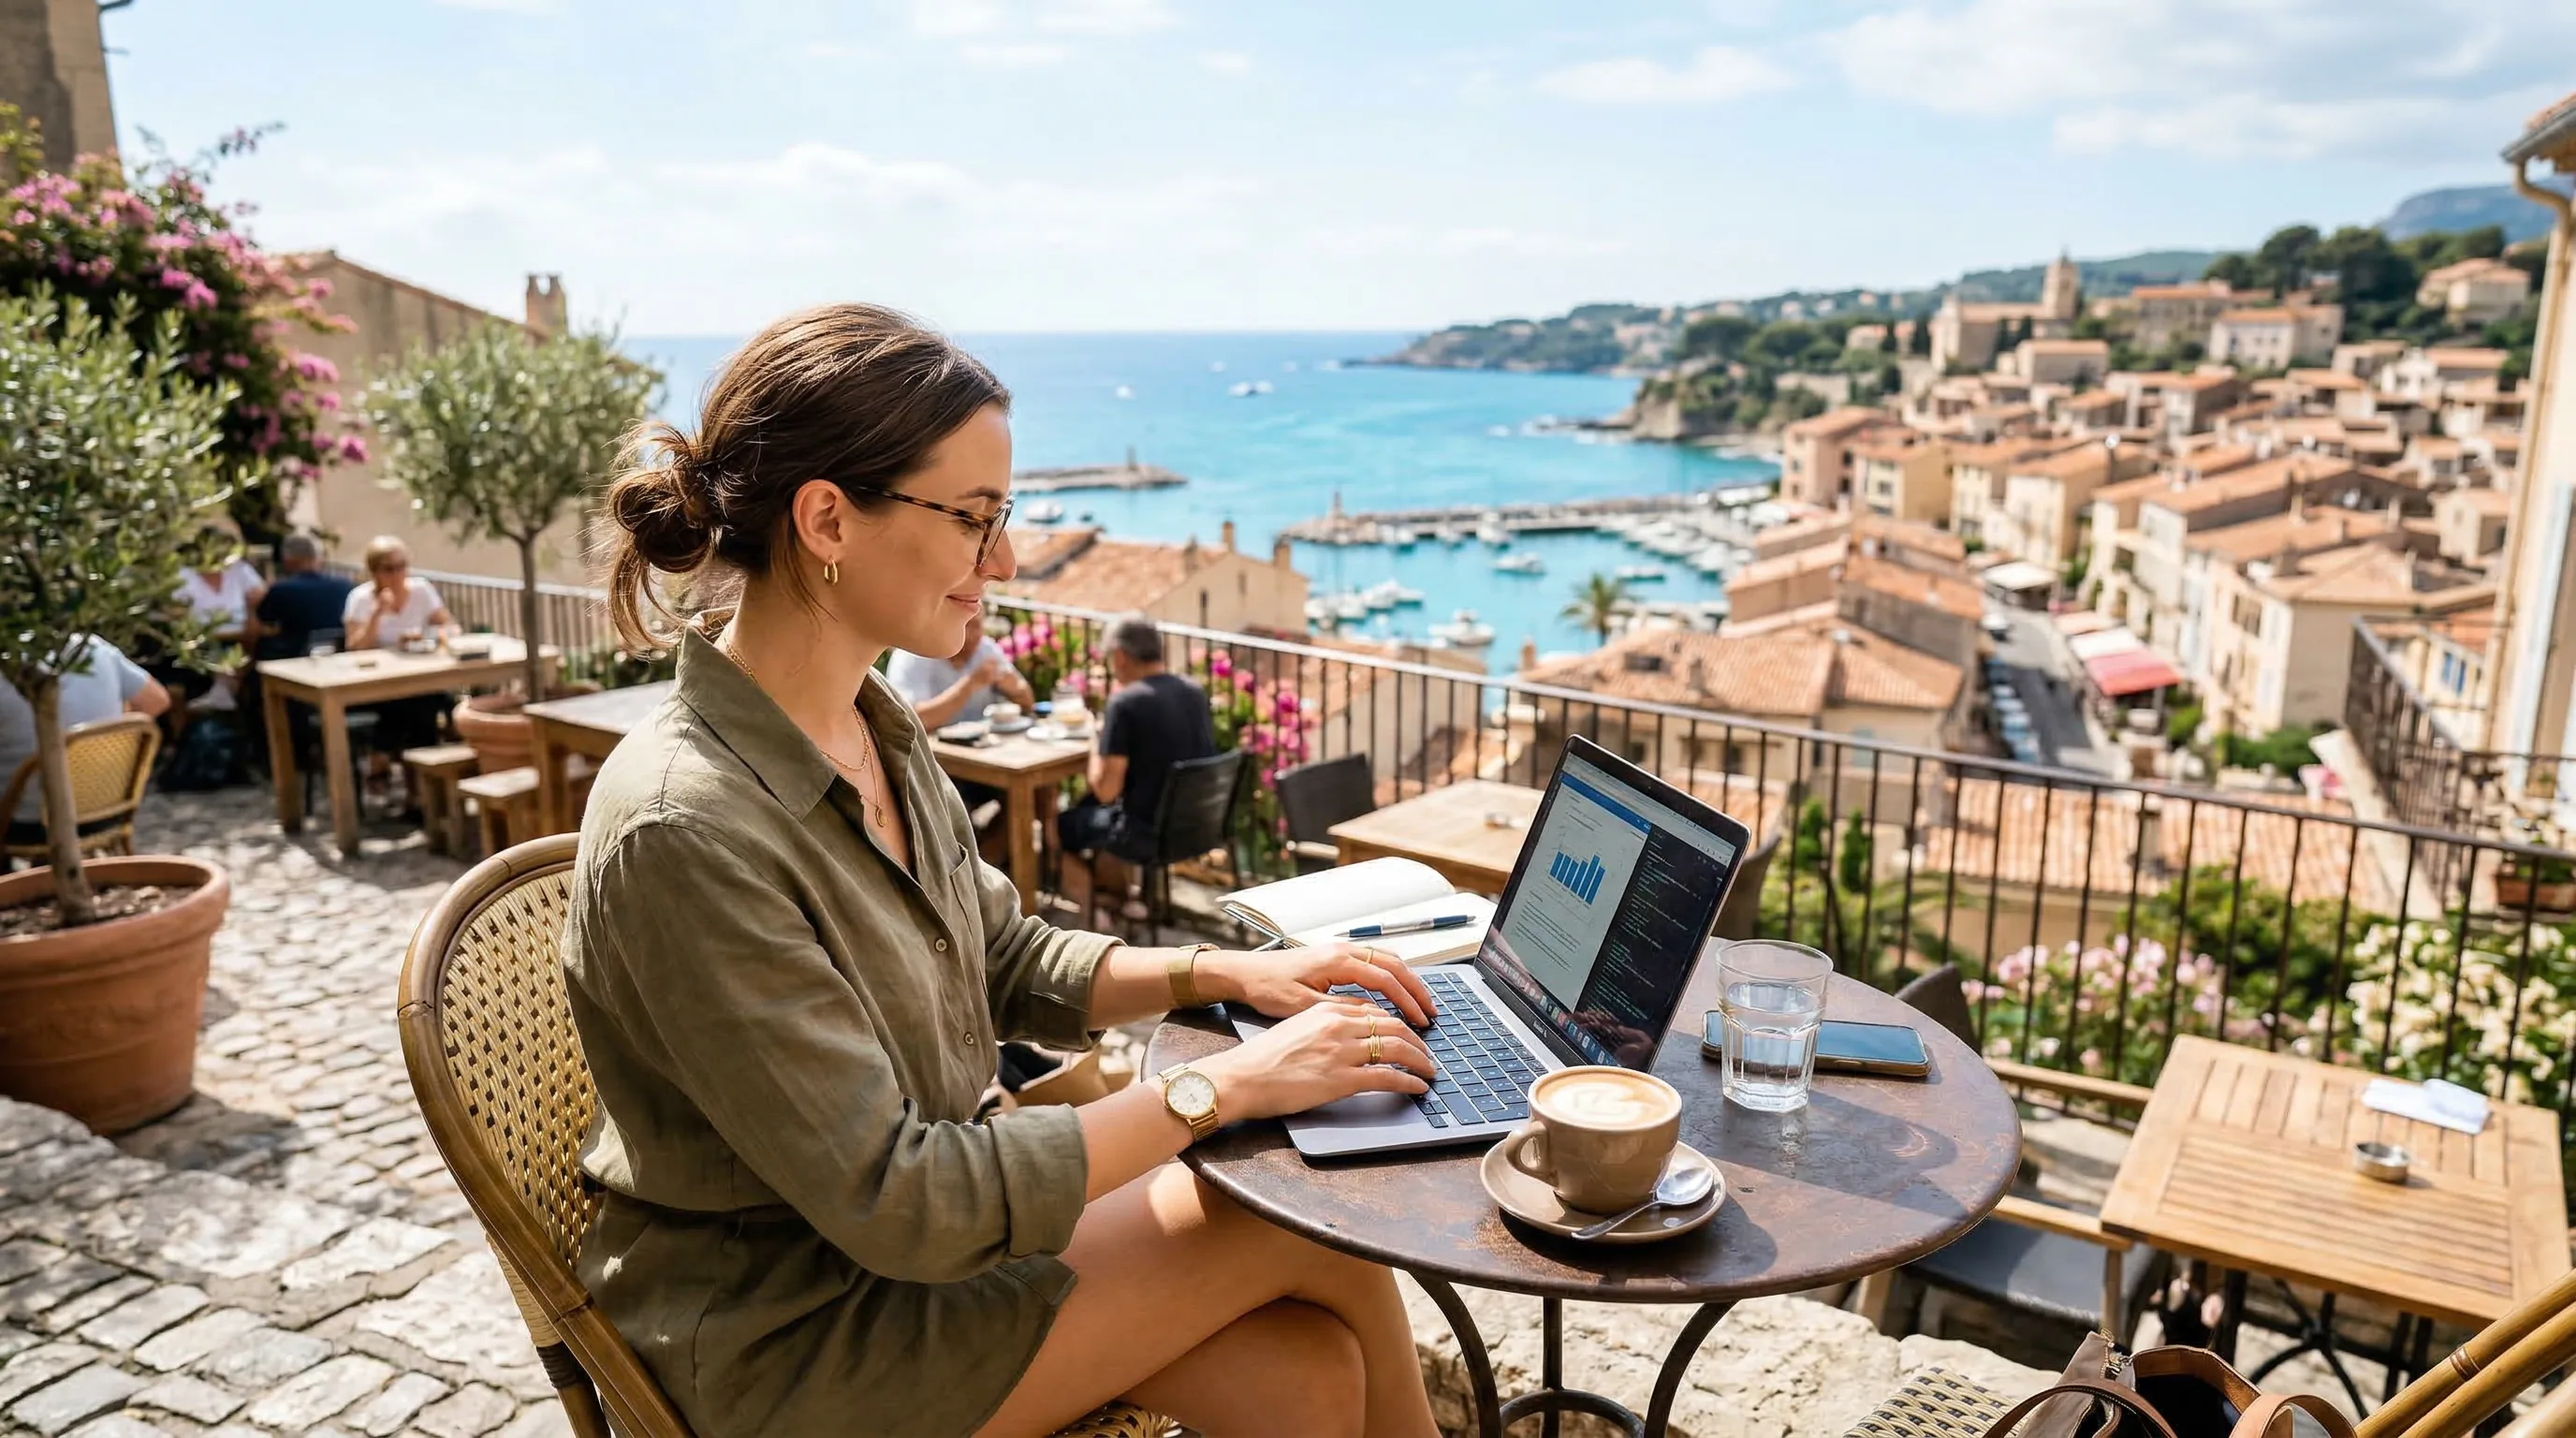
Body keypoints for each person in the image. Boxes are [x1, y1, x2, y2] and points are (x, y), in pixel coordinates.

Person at [576, 302, 1443, 1438]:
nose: (1008, 560)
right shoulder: (686, 830)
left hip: (901, 1265)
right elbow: (904, 1200)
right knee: (1288, 1209)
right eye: (975, 518)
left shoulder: (870, 724)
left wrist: (1229, 978)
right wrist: (1221, 1087)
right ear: (828, 519)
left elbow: (1002, 954)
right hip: (786, 1341)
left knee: (1309, 1377)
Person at [1056, 614, 1215, 864]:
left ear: (1119, 656)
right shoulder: (1193, 691)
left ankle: (1089, 901)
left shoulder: (1125, 703)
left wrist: (1094, 738)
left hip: (1145, 837)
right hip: (1199, 827)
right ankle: (1119, 897)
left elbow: (1106, 791)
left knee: (1060, 825)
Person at [0, 637, 171, 834]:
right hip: (107, 808)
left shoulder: (8, 662)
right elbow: (156, 701)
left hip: (25, 820)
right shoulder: (91, 645)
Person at [889, 629, 1034, 729]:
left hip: (983, 747)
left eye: (977, 625)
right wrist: (970, 685)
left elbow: (1028, 700)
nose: (971, 635)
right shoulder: (913, 655)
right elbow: (913, 721)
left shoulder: (986, 648)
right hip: (933, 757)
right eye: (966, 625)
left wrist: (1016, 690)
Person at [253, 535, 356, 661]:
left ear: (287, 559)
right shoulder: (345, 585)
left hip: (292, 658)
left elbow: (261, 623)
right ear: (318, 557)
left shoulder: (281, 590)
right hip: (338, 653)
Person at [344, 536, 452, 651]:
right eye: (389, 569)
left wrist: (426, 637)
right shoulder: (360, 598)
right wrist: (376, 614)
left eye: (401, 566)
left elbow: (449, 627)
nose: (397, 575)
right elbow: (355, 648)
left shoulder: (421, 590)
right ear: (374, 572)